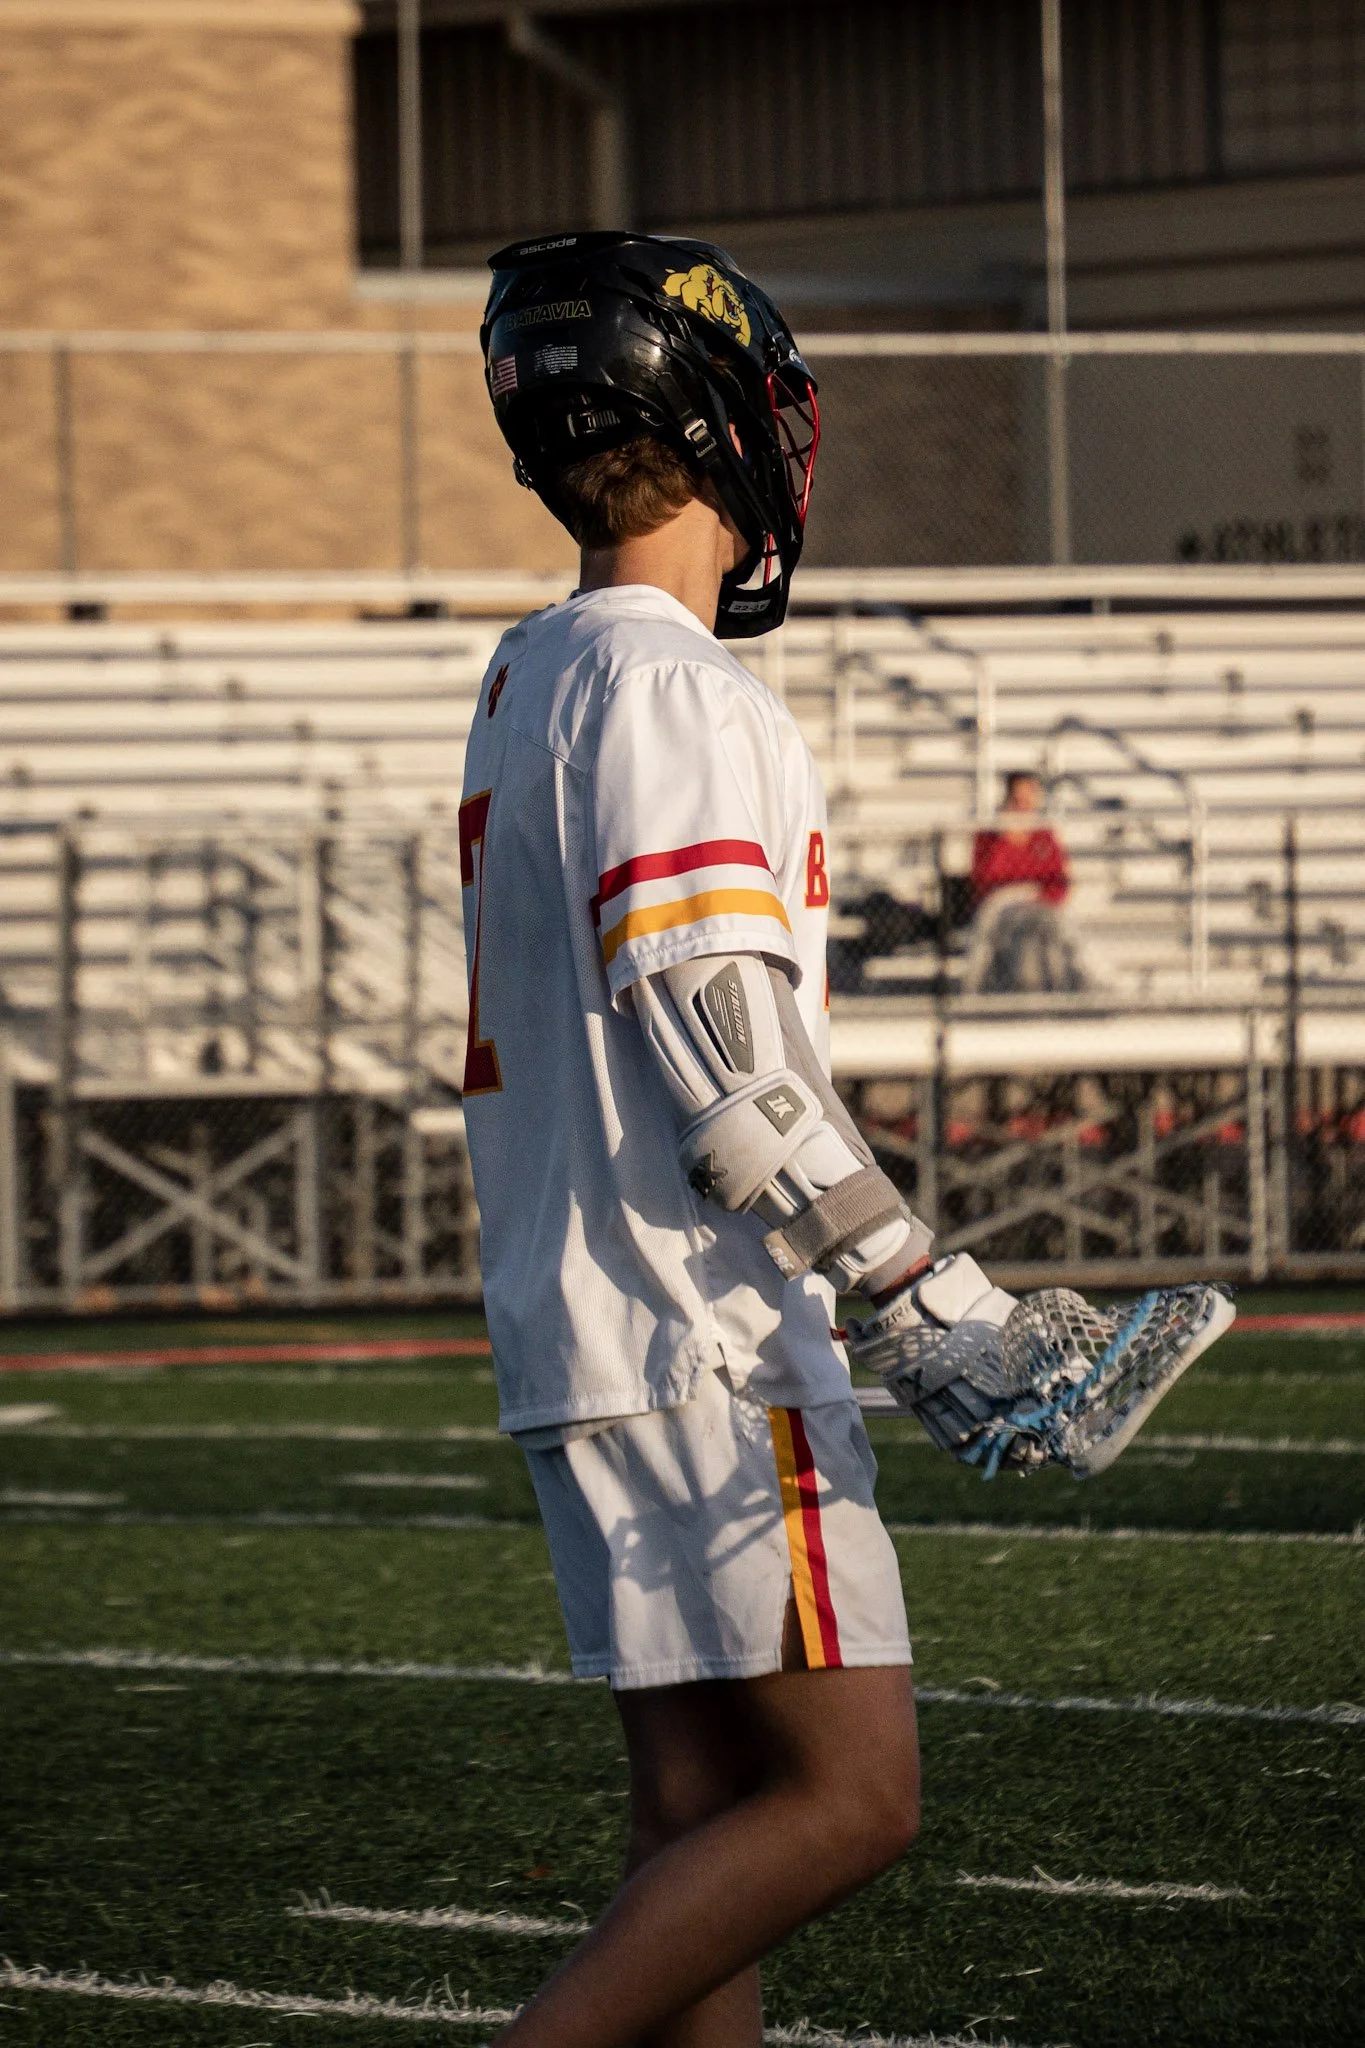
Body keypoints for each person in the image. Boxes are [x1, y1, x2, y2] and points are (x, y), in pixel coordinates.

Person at [459, 231, 1035, 2048]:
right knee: (854, 1797)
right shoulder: (678, 689)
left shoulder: (533, 669)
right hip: (702, 1328)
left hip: (584, 1313)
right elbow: (725, 1037)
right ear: (723, 433)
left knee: (701, 1826)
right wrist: (914, 1283)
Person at [965, 771, 1084, 993]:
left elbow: (1059, 883)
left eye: (1031, 796)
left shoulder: (1044, 835)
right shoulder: (990, 835)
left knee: (1058, 928)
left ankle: (1074, 988)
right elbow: (985, 881)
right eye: (1019, 798)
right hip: (1004, 908)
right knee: (1021, 932)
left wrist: (1036, 895)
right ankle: (1023, 993)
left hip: (1040, 906)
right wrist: (1006, 838)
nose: (1026, 805)